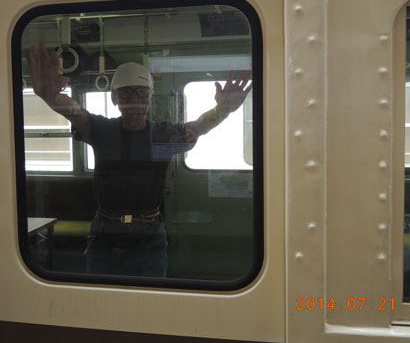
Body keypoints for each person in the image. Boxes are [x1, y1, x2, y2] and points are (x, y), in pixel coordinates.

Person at [27, 43, 252, 277]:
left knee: (151, 296)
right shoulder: (103, 130)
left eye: (142, 92)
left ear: (150, 98)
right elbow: (75, 112)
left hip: (150, 236)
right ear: (114, 98)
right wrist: (51, 97)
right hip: (105, 234)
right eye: (126, 92)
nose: (134, 99)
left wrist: (222, 111)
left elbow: (197, 127)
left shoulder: (162, 135)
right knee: (102, 295)